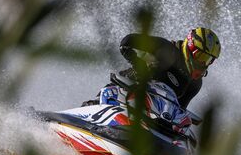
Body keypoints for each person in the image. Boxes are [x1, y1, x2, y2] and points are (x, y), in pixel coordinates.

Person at [83, 27, 221, 109]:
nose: (203, 63)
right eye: (202, 57)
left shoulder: (195, 84)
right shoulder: (166, 48)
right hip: (121, 93)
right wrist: (139, 65)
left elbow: (180, 110)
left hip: (149, 117)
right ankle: (90, 108)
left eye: (209, 60)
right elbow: (126, 43)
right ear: (190, 47)